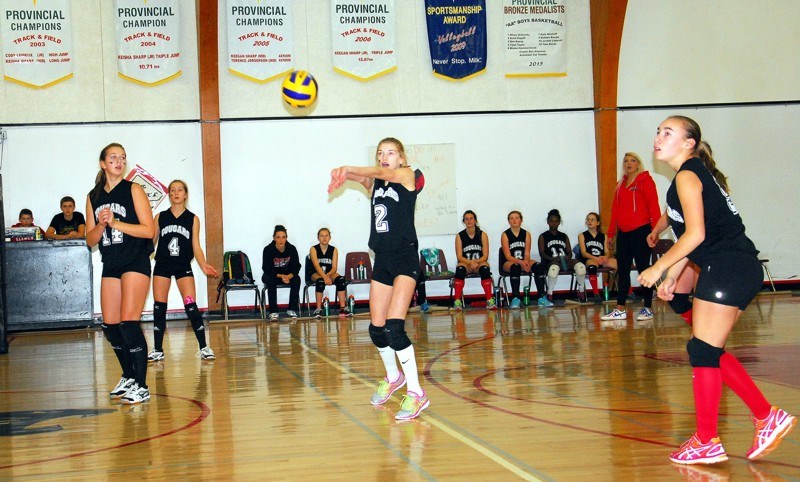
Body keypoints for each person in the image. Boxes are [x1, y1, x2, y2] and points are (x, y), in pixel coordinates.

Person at [638, 115, 796, 464]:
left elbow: (696, 236)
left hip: (728, 267)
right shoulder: (689, 176)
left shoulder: (688, 175)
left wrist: (658, 267)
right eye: (658, 131)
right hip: (730, 265)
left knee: (704, 351)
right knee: (705, 349)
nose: (658, 137)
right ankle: (762, 418)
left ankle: (714, 437)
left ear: (689, 143)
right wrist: (673, 277)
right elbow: (692, 239)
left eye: (668, 132)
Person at [328, 136, 429, 421]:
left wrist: (348, 167)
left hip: (405, 258)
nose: (385, 157)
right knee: (377, 328)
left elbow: (379, 173)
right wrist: (345, 176)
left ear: (401, 158)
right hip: (382, 259)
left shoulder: (408, 176)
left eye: (391, 152)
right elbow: (368, 178)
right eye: (380, 153)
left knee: (395, 329)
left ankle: (417, 393)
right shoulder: (377, 184)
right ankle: (393, 376)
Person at [85, 143, 154, 405]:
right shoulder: (93, 197)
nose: (119, 161)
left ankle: (142, 385)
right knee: (110, 326)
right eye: (113, 157)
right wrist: (102, 224)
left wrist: (116, 222)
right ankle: (128, 376)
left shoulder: (133, 189)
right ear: (103, 163)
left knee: (129, 323)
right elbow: (89, 240)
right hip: (111, 263)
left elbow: (149, 231)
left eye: (122, 158)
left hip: (135, 260)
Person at [148, 180, 219, 363]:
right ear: (169, 195)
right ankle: (157, 349)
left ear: (185, 194)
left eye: (180, 190)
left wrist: (203, 264)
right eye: (172, 190)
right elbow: (152, 242)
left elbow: (195, 244)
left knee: (190, 305)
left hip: (183, 266)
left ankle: (204, 347)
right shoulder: (160, 217)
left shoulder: (193, 218)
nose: (176, 193)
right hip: (162, 265)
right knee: (159, 307)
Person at [602, 152, 661, 322]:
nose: (629, 163)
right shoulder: (620, 185)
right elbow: (615, 211)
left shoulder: (645, 181)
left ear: (638, 163)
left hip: (641, 231)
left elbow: (653, 206)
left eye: (633, 160)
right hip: (624, 234)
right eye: (626, 161)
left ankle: (647, 307)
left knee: (643, 269)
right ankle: (620, 308)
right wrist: (611, 233)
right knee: (623, 269)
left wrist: (655, 231)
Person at [538, 209, 588, 303]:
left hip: (564, 260)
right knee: (553, 269)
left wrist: (566, 258)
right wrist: (553, 259)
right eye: (551, 221)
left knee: (581, 267)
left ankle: (581, 292)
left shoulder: (564, 236)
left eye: (556, 221)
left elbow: (569, 252)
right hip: (551, 260)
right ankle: (549, 294)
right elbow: (542, 253)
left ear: (559, 222)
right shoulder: (543, 236)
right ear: (548, 222)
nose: (554, 223)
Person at [452, 210, 497, 311]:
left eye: (471, 218)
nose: (469, 221)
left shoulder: (482, 234)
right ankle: (457, 301)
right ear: (463, 221)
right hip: (466, 263)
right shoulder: (460, 236)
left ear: (475, 220)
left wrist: (476, 262)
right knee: (459, 269)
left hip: (480, 262)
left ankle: (489, 300)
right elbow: (459, 256)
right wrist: (470, 262)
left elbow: (485, 255)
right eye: (466, 219)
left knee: (485, 268)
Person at [501, 210, 546, 308]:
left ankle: (542, 297)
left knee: (538, 266)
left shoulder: (526, 234)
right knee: (515, 267)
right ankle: (515, 298)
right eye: (511, 218)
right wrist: (521, 263)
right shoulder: (505, 235)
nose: (514, 220)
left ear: (521, 220)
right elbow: (508, 256)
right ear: (508, 221)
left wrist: (526, 262)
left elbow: (527, 252)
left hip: (523, 260)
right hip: (509, 262)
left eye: (517, 218)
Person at [262, 225, 301, 321]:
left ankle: (292, 309)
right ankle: (273, 312)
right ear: (274, 238)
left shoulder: (292, 249)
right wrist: (281, 276)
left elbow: (296, 266)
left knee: (297, 279)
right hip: (272, 275)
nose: (281, 240)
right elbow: (266, 268)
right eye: (278, 237)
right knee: (270, 281)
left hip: (287, 275)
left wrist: (289, 276)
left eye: (283, 237)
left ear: (286, 238)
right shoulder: (268, 249)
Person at [309, 227, 350, 318]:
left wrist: (328, 275)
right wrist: (324, 277)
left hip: (328, 273)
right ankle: (318, 309)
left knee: (341, 280)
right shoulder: (313, 249)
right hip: (315, 273)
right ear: (318, 238)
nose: (324, 238)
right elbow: (316, 266)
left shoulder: (334, 250)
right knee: (320, 282)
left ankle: (343, 308)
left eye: (326, 236)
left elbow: (334, 267)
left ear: (330, 237)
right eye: (322, 236)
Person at [577, 212, 617, 302]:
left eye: (593, 219)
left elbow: (607, 251)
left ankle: (628, 292)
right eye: (588, 219)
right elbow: (584, 253)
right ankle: (596, 293)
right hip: (590, 258)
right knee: (592, 266)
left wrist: (605, 257)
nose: (589, 221)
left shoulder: (603, 236)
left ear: (598, 223)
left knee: (621, 264)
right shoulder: (582, 235)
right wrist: (596, 258)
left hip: (601, 258)